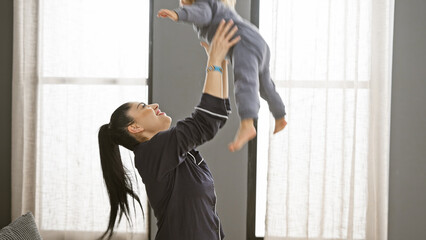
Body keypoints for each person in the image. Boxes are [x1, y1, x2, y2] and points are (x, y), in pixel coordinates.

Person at [98, 20, 240, 240]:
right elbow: (207, 119)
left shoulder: (176, 154)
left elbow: (218, 111)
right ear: (135, 127)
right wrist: (213, 61)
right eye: (143, 107)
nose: (154, 105)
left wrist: (220, 59)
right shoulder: (151, 153)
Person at [157, 0, 288, 152]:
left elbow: (203, 15)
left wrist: (178, 14)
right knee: (265, 85)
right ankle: (280, 115)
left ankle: (247, 124)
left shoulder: (204, 3)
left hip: (243, 41)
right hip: (256, 41)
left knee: (245, 82)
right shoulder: (218, 6)